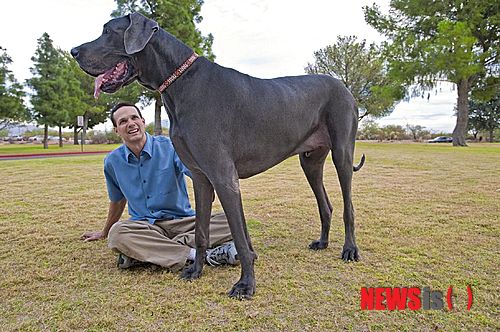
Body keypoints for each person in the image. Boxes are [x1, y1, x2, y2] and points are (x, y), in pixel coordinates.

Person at [80, 102, 238, 271]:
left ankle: (148, 253)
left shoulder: (170, 146)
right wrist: (105, 232)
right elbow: (117, 201)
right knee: (117, 233)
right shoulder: (112, 162)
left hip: (183, 222)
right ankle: (198, 255)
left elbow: (194, 171)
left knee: (232, 220)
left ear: (142, 121)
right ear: (116, 130)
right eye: (123, 121)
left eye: (134, 118)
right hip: (146, 227)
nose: (131, 123)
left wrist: (210, 184)